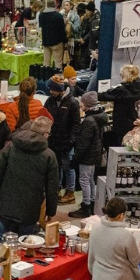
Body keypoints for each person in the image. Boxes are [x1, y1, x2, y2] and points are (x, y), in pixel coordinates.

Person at [0, 117, 58, 239]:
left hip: (5, 205)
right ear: (46, 133)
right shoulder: (49, 155)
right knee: (24, 246)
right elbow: (52, 187)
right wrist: (51, 211)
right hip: (29, 210)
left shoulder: (10, 146)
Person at [45, 74, 81, 205]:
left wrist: (71, 141)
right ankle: (57, 190)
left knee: (68, 167)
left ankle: (70, 193)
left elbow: (76, 124)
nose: (51, 92)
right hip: (53, 141)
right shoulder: (50, 101)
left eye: (53, 90)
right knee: (56, 167)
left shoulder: (73, 103)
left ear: (61, 90)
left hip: (67, 142)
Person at [71, 92, 107, 218]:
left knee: (84, 180)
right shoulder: (99, 117)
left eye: (83, 102)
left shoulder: (88, 121)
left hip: (87, 156)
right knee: (91, 179)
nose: (81, 104)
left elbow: (83, 143)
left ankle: (86, 207)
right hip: (95, 154)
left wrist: (76, 158)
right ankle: (92, 203)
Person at [40, 0, 67, 68]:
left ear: (47, 5)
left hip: (46, 41)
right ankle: (58, 77)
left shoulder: (41, 15)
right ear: (55, 5)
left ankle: (46, 77)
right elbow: (62, 30)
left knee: (46, 62)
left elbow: (41, 27)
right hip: (57, 42)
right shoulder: (58, 16)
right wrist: (65, 41)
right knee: (58, 62)